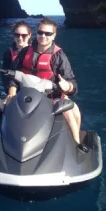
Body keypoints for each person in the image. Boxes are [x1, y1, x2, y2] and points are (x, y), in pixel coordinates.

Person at [11, 17, 87, 152]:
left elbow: (73, 84)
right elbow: (12, 75)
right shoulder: (24, 52)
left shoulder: (59, 56)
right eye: (40, 32)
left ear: (54, 36)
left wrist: (67, 86)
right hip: (26, 98)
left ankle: (77, 145)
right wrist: (11, 92)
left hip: (51, 98)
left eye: (48, 34)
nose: (43, 36)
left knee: (71, 111)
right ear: (36, 33)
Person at [2, 21, 32, 98]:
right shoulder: (8, 53)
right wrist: (11, 90)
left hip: (34, 90)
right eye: (17, 35)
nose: (20, 38)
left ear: (29, 35)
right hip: (15, 92)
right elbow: (6, 77)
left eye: (24, 35)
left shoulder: (36, 52)